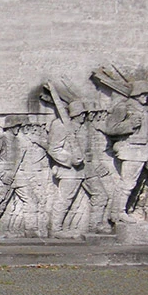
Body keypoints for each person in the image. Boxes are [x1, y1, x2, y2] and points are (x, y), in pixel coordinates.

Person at [101, 80, 148, 222]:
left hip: (147, 149)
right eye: (144, 94)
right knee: (128, 183)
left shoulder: (147, 109)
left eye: (147, 94)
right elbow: (110, 129)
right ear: (136, 94)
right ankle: (118, 212)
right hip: (132, 150)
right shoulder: (123, 108)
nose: (146, 97)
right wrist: (129, 125)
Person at [46, 100, 110, 238]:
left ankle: (94, 226)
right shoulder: (61, 126)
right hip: (70, 170)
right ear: (74, 115)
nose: (83, 116)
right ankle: (55, 230)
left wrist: (97, 165)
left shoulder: (84, 128)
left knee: (101, 195)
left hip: (87, 168)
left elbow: (88, 150)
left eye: (84, 114)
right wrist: (69, 159)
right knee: (64, 199)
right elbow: (53, 149)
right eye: (81, 114)